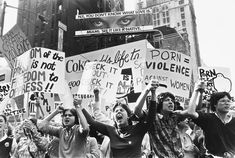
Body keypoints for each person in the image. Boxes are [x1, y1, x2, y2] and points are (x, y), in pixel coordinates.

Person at [82, 86, 154, 158]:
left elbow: (151, 117)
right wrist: (79, 106)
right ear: (113, 117)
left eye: (121, 110)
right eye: (116, 111)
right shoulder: (111, 130)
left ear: (128, 116)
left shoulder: (137, 129)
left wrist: (152, 93)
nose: (118, 112)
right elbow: (92, 122)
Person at [175, 81, 235, 157]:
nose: (227, 103)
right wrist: (196, 90)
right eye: (223, 101)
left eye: (228, 101)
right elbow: (191, 112)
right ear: (215, 104)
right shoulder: (207, 119)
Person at [134, 80, 187, 158]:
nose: (171, 102)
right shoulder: (153, 118)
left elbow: (193, 111)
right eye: (167, 100)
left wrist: (199, 91)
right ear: (159, 104)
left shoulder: (175, 117)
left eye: (172, 101)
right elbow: (137, 111)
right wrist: (148, 89)